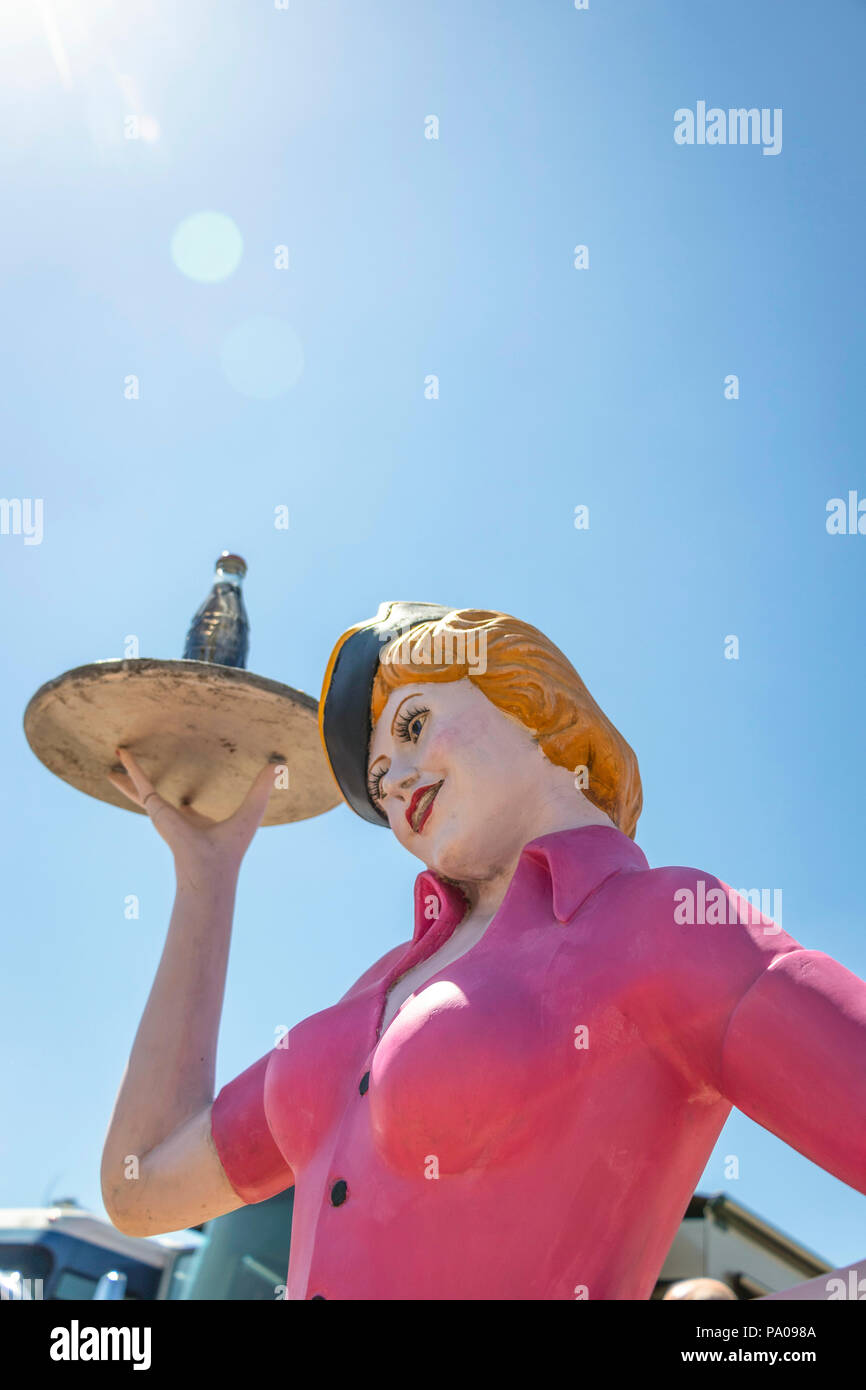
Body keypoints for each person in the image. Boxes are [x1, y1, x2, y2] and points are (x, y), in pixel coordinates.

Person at [101, 604, 866, 1300]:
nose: (394, 785)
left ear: (533, 706)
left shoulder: (665, 923)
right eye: (377, 780)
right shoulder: (369, 992)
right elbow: (144, 1186)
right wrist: (206, 879)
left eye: (412, 726)